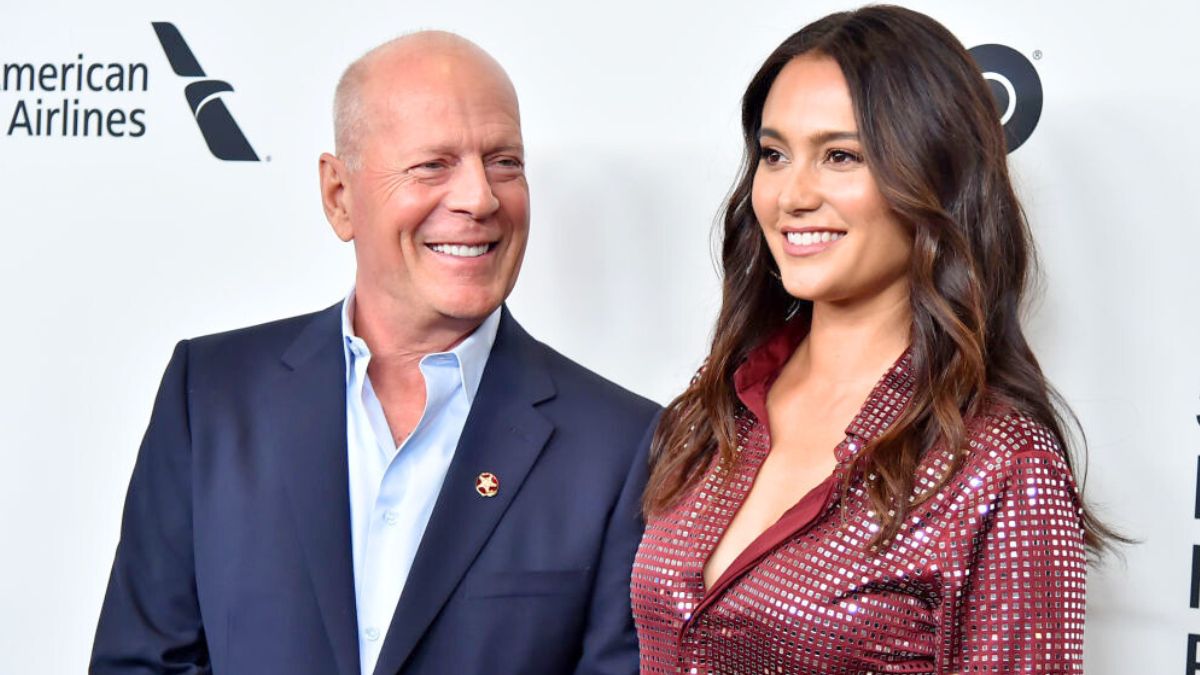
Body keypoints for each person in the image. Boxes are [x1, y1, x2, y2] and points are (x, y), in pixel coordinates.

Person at [91, 32, 658, 675]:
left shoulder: (623, 445)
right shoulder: (212, 397)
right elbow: (141, 664)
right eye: (432, 165)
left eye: (504, 161)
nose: (480, 197)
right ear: (339, 196)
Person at [632, 6, 1119, 673]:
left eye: (840, 156)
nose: (791, 195)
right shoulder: (712, 411)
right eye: (775, 155)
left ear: (936, 176)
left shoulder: (1000, 465)